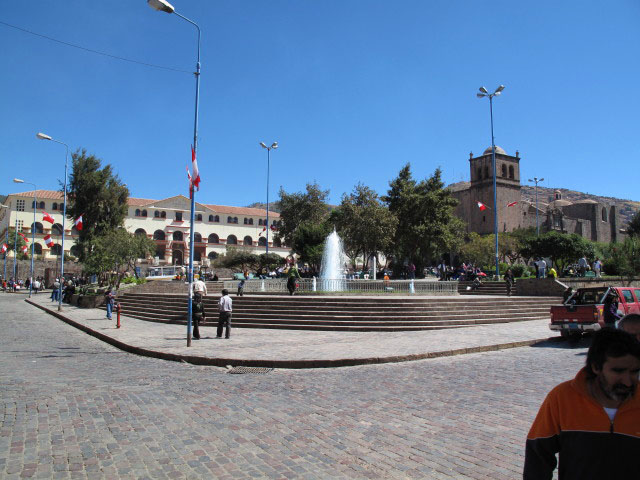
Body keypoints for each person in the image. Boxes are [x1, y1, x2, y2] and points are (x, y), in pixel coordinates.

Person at [524, 329, 640, 479]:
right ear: (595, 367)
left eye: (635, 371)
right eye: (618, 371)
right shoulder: (562, 397)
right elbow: (538, 457)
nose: (628, 381)